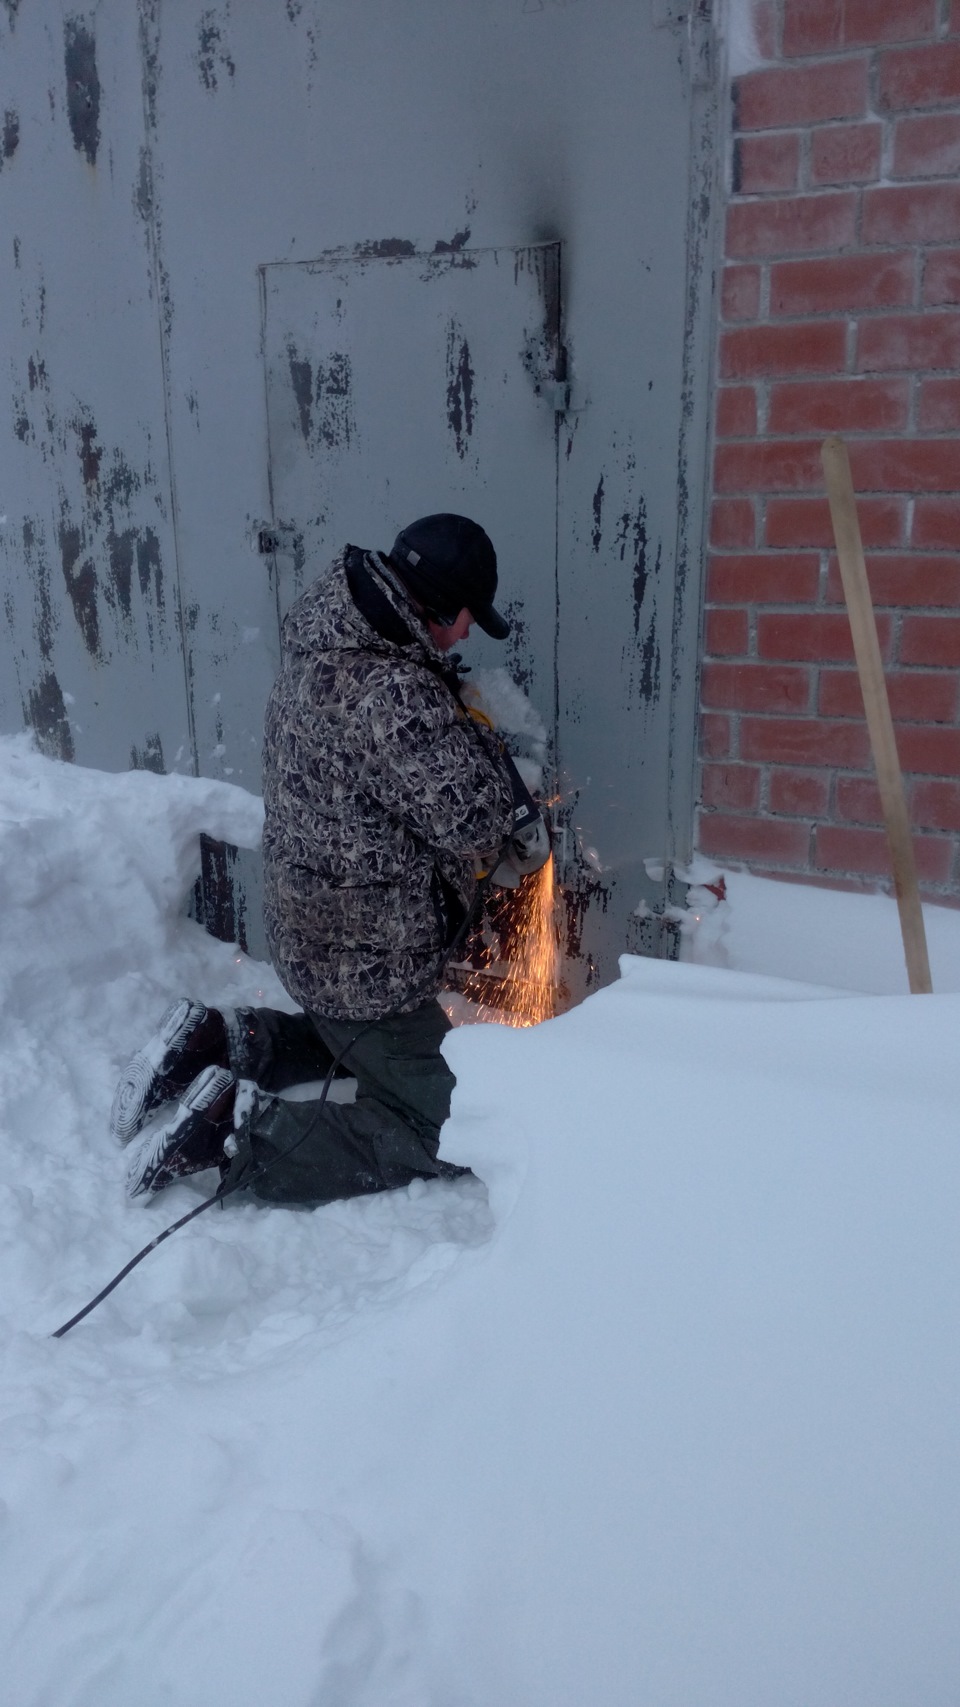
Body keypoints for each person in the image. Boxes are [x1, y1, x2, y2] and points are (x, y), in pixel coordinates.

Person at [113, 513, 547, 1206]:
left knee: (350, 1039)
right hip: (366, 964)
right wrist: (504, 771)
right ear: (434, 604)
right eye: (466, 617)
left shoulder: (329, 640)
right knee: (465, 1123)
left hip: (314, 940)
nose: (467, 633)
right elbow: (477, 824)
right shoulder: (390, 691)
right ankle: (234, 1131)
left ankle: (219, 1040)